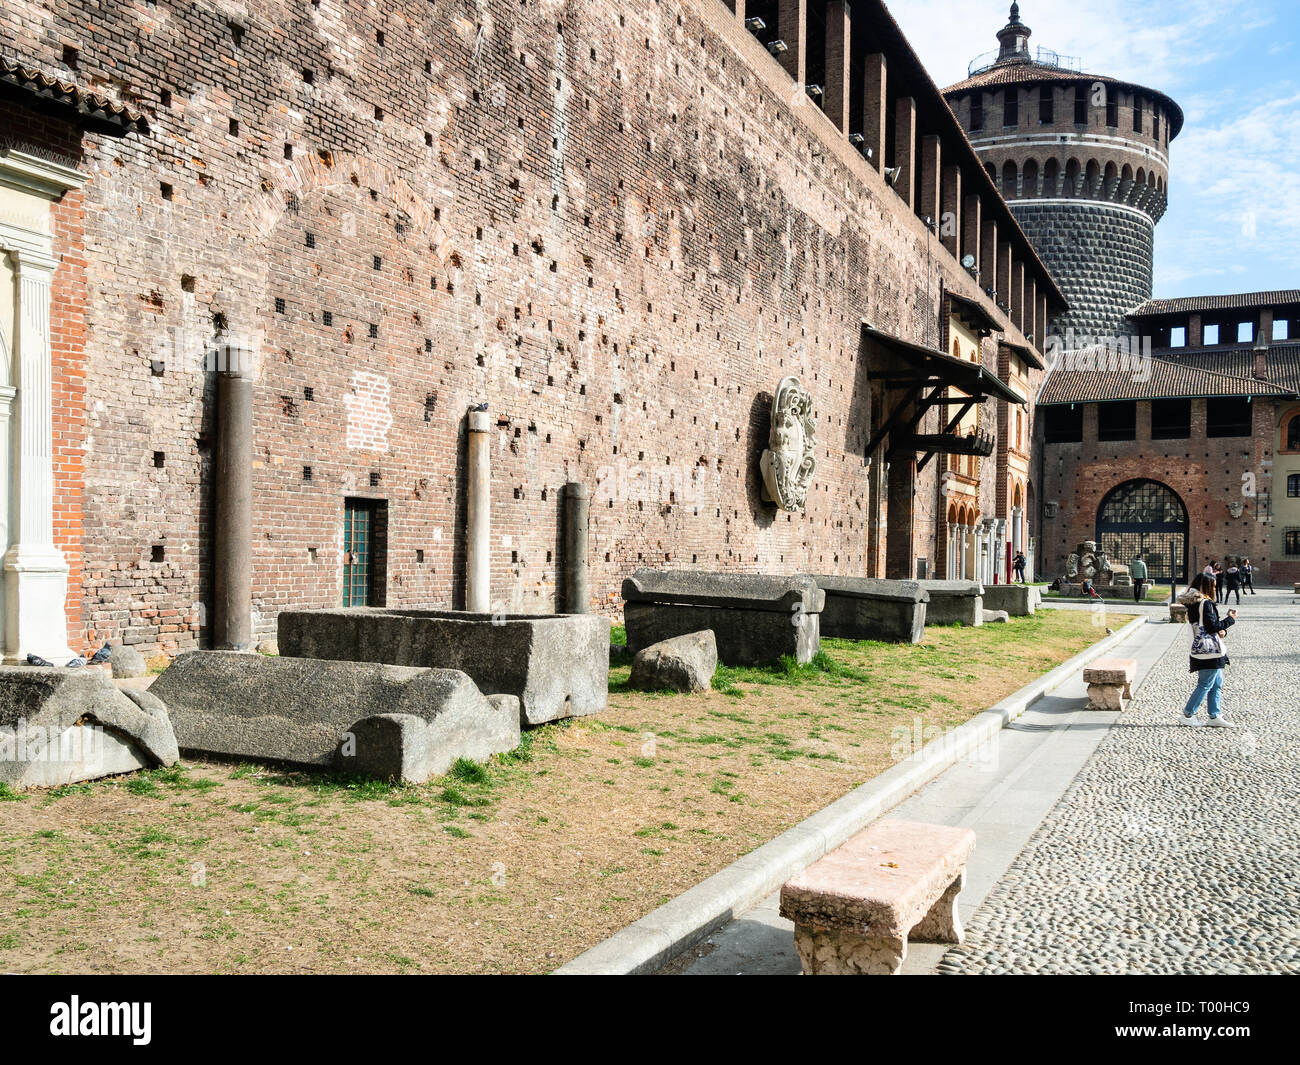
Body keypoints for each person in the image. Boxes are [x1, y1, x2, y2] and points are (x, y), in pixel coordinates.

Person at [1181, 573, 1237, 727]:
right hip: (1209, 651)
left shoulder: (1193, 602)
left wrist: (1221, 630)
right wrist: (1230, 620)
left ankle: (1214, 715)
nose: (1215, 588)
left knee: (1217, 682)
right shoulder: (1205, 603)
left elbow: (1205, 625)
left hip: (1202, 648)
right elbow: (1212, 626)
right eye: (1213, 585)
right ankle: (1188, 714)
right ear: (1206, 586)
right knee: (1205, 684)